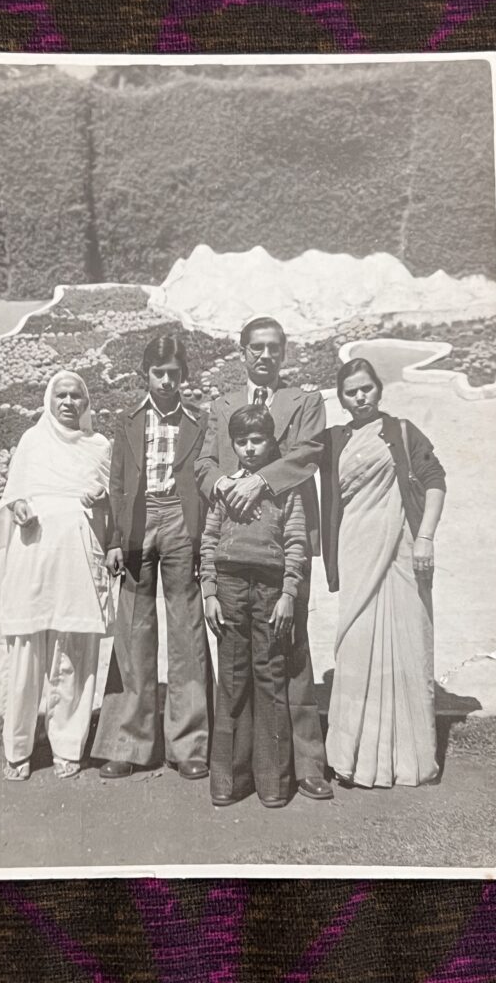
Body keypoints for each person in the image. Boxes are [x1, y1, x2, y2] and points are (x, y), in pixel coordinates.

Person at [195, 314, 332, 801]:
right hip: (231, 547)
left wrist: (261, 480)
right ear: (242, 351)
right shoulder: (223, 404)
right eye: (256, 346)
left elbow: (309, 453)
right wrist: (221, 485)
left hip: (284, 538)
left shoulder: (305, 401)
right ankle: (249, 767)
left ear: (284, 352)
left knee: (288, 649)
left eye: (274, 347)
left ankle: (307, 764)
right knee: (237, 659)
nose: (265, 355)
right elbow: (205, 461)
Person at [320, 358, 446, 788]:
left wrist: (426, 537)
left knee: (408, 645)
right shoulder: (334, 440)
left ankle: (408, 758)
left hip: (403, 551)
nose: (360, 397)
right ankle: (351, 759)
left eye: (367, 389)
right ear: (341, 397)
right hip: (356, 547)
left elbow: (434, 480)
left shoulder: (402, 430)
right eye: (351, 391)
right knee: (356, 644)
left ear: (379, 389)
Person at [91, 336, 212, 781]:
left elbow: (202, 480)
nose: (166, 380)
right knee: (133, 632)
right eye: (158, 372)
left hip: (182, 521)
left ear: (183, 376)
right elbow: (118, 483)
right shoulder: (128, 421)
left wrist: (204, 542)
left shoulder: (197, 422)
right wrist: (115, 540)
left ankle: (189, 745)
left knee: (187, 630)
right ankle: (128, 743)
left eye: (174, 373)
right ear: (146, 374)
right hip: (139, 524)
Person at [0, 371, 113, 782]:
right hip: (33, 550)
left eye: (77, 396)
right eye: (61, 395)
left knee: (74, 649)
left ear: (86, 402)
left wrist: (101, 499)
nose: (69, 402)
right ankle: (17, 748)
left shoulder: (99, 446)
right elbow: (14, 494)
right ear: (49, 399)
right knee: (26, 649)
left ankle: (68, 744)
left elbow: (111, 505)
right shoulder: (32, 441)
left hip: (78, 554)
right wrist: (19, 506)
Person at [201, 405, 307, 808]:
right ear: (232, 445)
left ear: (271, 442)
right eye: (241, 441)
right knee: (231, 677)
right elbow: (209, 540)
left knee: (270, 676)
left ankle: (273, 781)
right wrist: (209, 592)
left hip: (269, 587)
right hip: (228, 585)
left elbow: (296, 541)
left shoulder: (285, 487)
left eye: (257, 439)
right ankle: (228, 778)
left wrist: (288, 594)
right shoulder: (225, 488)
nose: (249, 447)